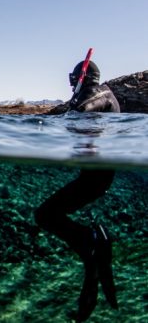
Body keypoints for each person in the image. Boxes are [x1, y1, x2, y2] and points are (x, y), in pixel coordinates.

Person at [34, 60, 120, 322]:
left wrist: (72, 105)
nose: (71, 82)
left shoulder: (99, 93)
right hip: (95, 174)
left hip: (98, 176)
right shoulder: (98, 93)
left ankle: (91, 241)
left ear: (83, 76)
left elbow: (83, 108)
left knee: (46, 215)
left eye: (73, 77)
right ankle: (92, 246)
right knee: (48, 214)